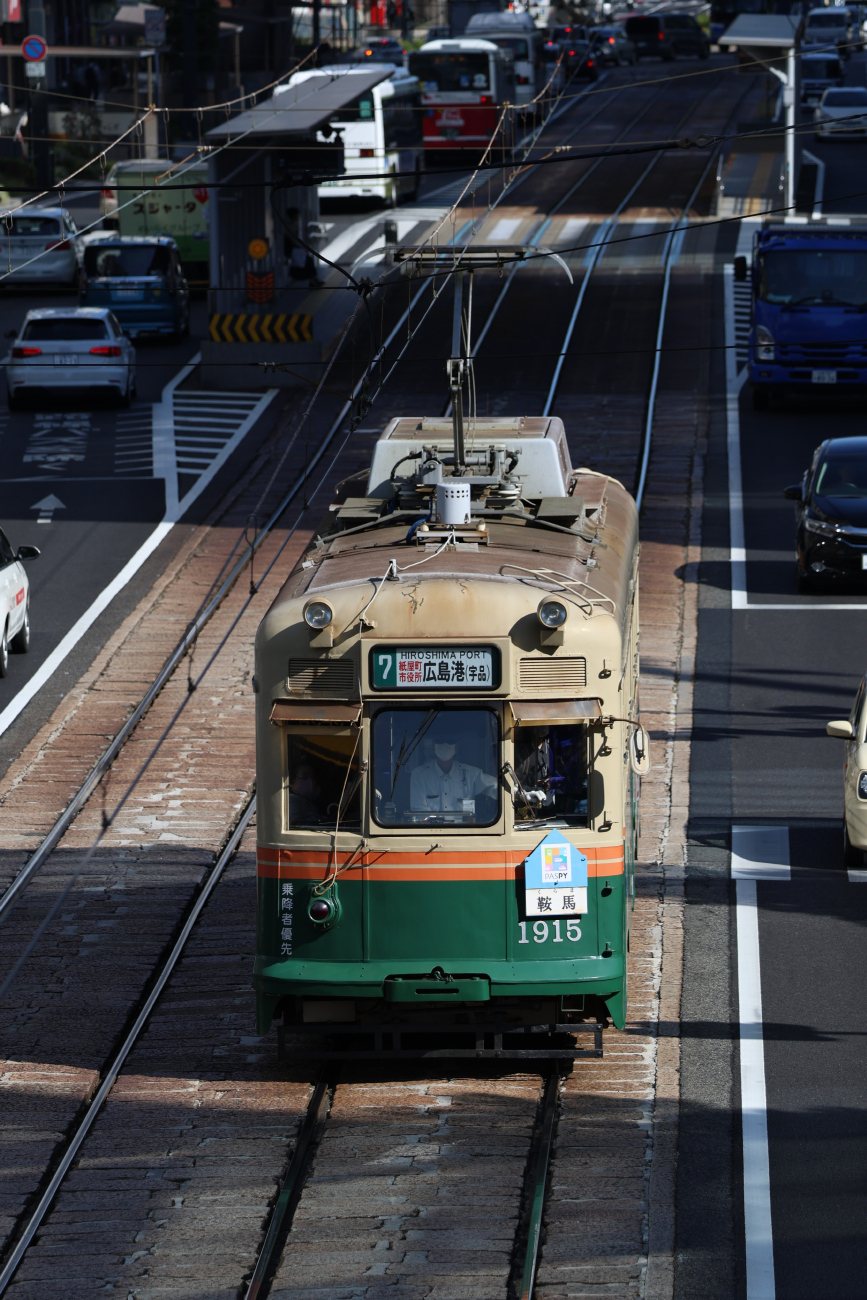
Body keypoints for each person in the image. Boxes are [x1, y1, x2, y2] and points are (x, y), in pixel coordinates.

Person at [410, 739, 497, 816]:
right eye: (440, 741)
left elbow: (497, 789)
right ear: (433, 744)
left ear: (457, 745)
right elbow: (419, 811)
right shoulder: (419, 775)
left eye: (450, 741)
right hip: (432, 832)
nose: (445, 745)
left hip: (463, 833)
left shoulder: (471, 774)